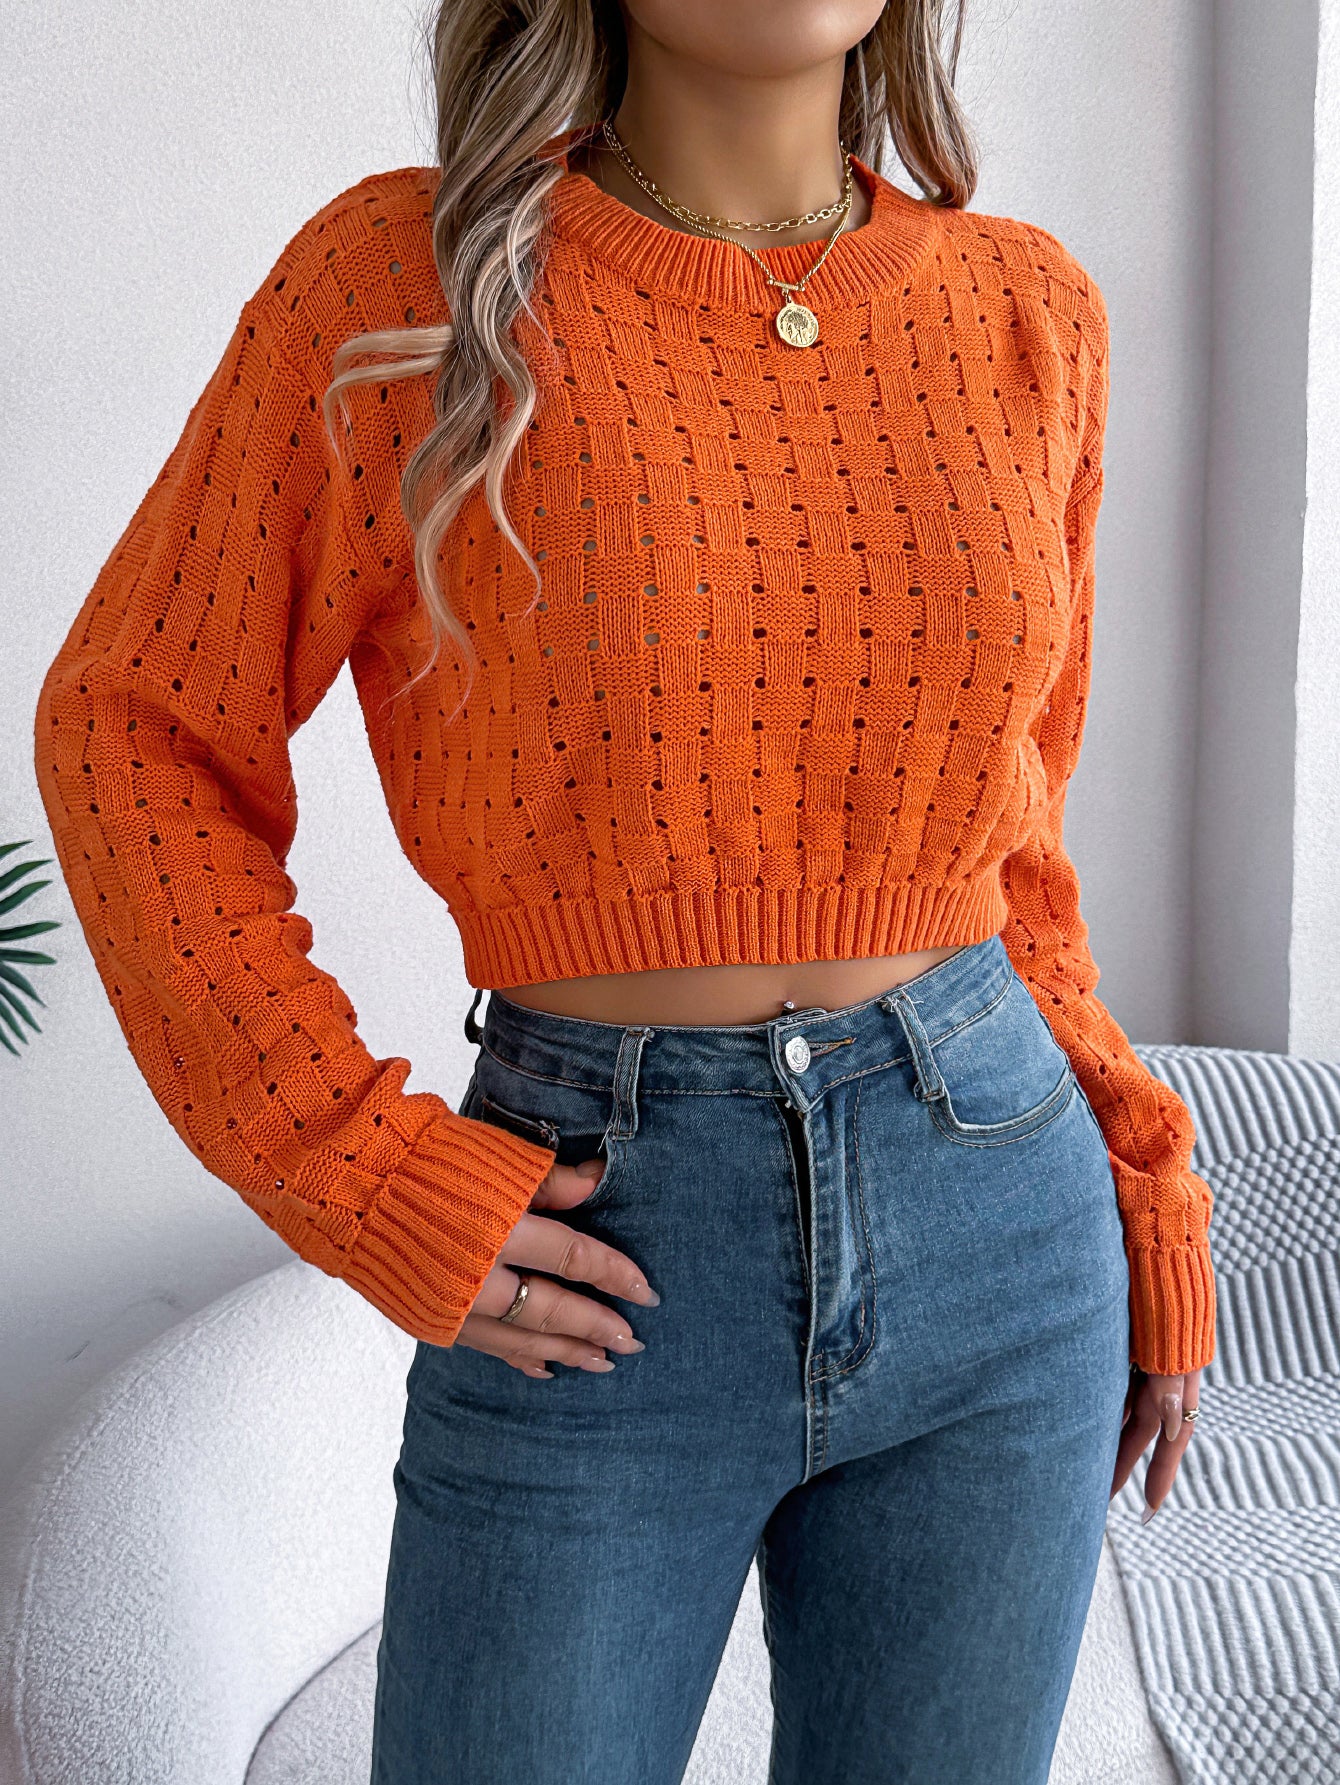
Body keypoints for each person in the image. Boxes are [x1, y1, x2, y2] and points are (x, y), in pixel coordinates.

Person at [33, 2, 1216, 1779]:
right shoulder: (405, 283)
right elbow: (132, 728)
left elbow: (1017, 852)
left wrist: (1144, 1169)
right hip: (600, 1251)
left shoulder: (1027, 310)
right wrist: (361, 1166)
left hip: (1002, 1229)